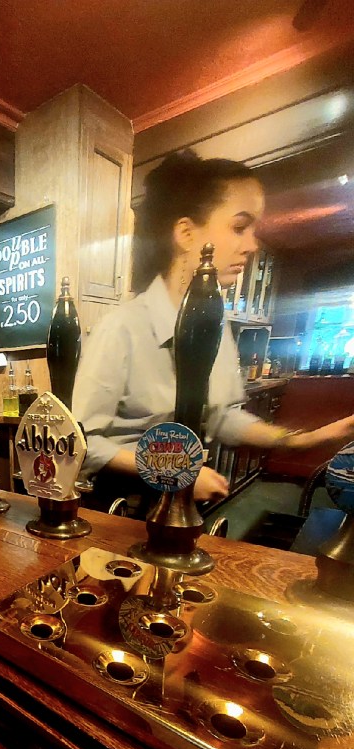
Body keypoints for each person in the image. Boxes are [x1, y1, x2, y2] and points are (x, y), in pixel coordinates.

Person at [72, 149, 354, 511]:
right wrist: (175, 471)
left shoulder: (214, 328)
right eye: (239, 227)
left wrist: (300, 441)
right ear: (186, 233)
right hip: (122, 506)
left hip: (181, 499)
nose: (251, 245)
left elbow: (220, 417)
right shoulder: (121, 328)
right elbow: (82, 442)